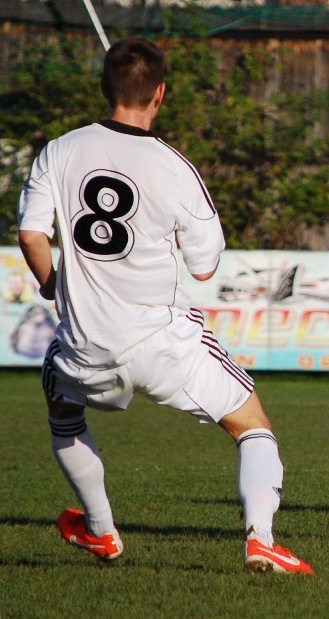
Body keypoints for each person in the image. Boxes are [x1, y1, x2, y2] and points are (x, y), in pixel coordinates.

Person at [17, 37, 313, 573]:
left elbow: (32, 235)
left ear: (103, 87)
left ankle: (101, 530)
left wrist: (53, 286)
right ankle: (261, 539)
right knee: (252, 425)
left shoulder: (57, 151)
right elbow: (204, 267)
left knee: (63, 413)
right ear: (160, 93)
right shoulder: (174, 166)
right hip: (163, 340)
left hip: (86, 342)